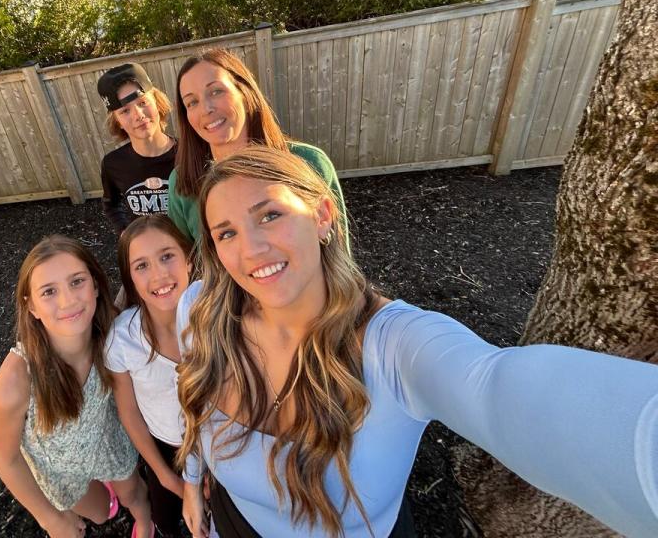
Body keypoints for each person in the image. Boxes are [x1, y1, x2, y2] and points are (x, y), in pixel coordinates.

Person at [175, 146, 658, 538]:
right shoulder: (201, 310)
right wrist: (194, 487)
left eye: (270, 215)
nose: (250, 249)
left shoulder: (396, 347)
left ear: (322, 215)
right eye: (227, 233)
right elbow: (195, 413)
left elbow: (501, 387)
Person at [0, 235, 154, 538]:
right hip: (61, 468)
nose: (68, 301)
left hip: (107, 440)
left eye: (77, 282)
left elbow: (134, 297)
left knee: (134, 496)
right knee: (102, 514)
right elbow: (6, 458)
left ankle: (145, 521)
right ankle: (105, 495)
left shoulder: (110, 336)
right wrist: (50, 519)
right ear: (32, 306)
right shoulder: (17, 379)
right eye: (49, 291)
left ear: (94, 284)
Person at [167, 48, 350, 248]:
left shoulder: (308, 162)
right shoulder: (182, 184)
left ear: (244, 92)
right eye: (192, 102)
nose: (206, 109)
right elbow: (186, 268)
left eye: (216, 91)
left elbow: (339, 256)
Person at [104, 215, 196, 538]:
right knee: (167, 520)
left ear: (189, 257)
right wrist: (166, 476)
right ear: (129, 278)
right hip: (164, 451)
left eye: (167, 256)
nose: (159, 274)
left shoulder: (216, 317)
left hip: (219, 448)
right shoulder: (122, 338)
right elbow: (129, 413)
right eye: (141, 266)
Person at [98, 63, 177, 235]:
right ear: (116, 120)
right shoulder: (113, 164)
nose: (138, 115)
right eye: (125, 111)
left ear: (157, 101)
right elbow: (111, 204)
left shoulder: (189, 153)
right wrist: (126, 233)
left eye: (142, 102)